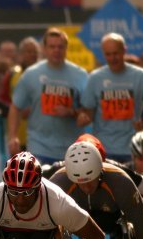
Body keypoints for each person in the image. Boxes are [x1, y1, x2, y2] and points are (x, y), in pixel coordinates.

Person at [49, 141, 143, 239]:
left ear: (100, 171)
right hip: (74, 222)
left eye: (91, 180)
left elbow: (139, 220)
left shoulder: (121, 181)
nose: (87, 188)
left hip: (109, 222)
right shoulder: (58, 182)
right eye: (81, 183)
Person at [8, 27, 87, 163]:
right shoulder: (31, 74)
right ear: (44, 49)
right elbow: (15, 107)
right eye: (52, 47)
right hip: (39, 146)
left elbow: (89, 110)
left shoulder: (81, 75)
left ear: (66, 48)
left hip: (71, 149)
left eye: (60, 47)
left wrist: (72, 112)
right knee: (39, 184)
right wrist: (13, 136)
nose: (56, 50)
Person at [78, 33, 143, 162]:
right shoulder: (95, 78)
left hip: (133, 149)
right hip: (103, 149)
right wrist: (83, 117)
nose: (112, 58)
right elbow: (88, 112)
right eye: (108, 54)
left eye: (116, 53)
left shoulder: (141, 76)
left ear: (124, 50)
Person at [0, 36, 40, 150]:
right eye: (29, 51)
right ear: (21, 54)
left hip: (40, 137)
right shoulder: (12, 74)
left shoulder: (46, 74)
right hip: (18, 135)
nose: (32, 55)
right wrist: (18, 111)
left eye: (35, 52)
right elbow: (2, 100)